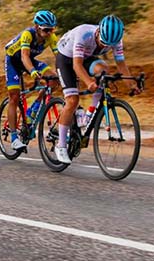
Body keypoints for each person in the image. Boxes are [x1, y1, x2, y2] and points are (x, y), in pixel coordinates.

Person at [54, 15, 141, 164]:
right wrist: (88, 82)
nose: (104, 46)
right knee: (73, 100)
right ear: (98, 32)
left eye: (108, 45)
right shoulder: (84, 34)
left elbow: (121, 64)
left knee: (103, 71)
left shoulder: (116, 39)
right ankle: (61, 146)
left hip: (87, 56)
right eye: (102, 42)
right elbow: (77, 65)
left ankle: (87, 116)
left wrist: (131, 84)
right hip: (66, 58)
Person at [3, 10, 60, 150]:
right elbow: (24, 57)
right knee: (14, 97)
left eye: (51, 29)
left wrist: (63, 73)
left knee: (54, 80)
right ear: (37, 26)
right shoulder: (27, 34)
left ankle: (33, 111)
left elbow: (59, 58)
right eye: (46, 29)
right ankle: (14, 138)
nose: (49, 33)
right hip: (14, 61)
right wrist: (33, 71)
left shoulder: (51, 38)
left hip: (29, 61)